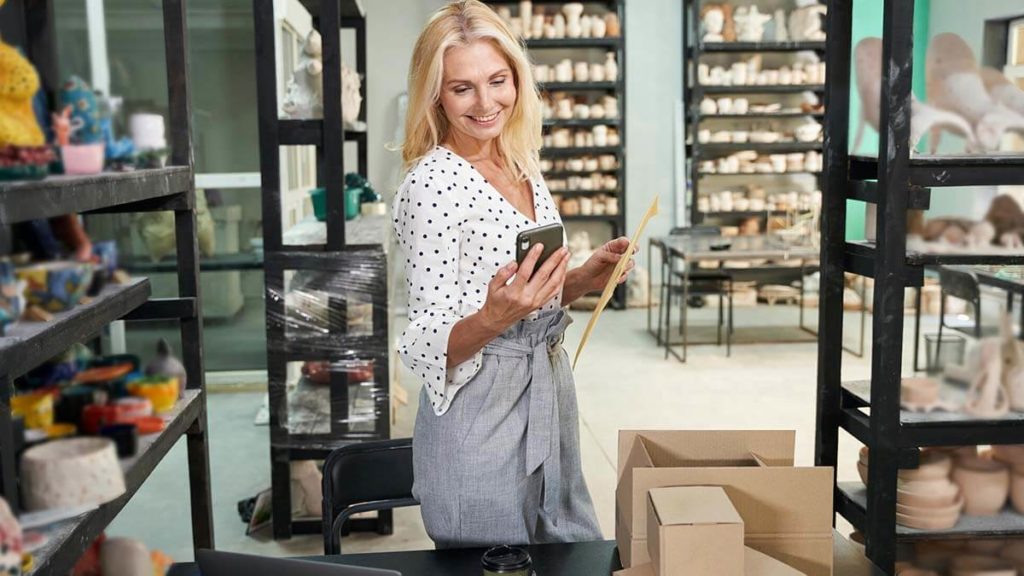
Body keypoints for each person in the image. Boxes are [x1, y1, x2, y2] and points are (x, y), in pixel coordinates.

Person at [392, 0, 635, 548]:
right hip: (480, 408)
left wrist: (579, 280)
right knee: (495, 556)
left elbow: (531, 298)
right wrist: (493, 318)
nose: (486, 103)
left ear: (517, 79)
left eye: (498, 80)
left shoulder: (521, 162)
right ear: (435, 94)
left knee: (565, 548)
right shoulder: (432, 185)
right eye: (462, 88)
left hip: (545, 386)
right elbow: (423, 343)